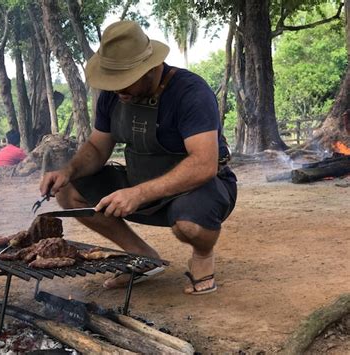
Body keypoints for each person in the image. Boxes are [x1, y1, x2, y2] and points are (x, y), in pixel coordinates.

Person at [40, 21, 237, 294]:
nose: (118, 90)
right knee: (69, 190)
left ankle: (202, 256)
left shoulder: (191, 93)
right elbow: (97, 148)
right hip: (139, 182)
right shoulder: (112, 96)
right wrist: (68, 171)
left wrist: (138, 194)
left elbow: (204, 165)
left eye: (125, 81)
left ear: (151, 69)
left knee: (189, 225)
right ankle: (143, 256)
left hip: (198, 188)